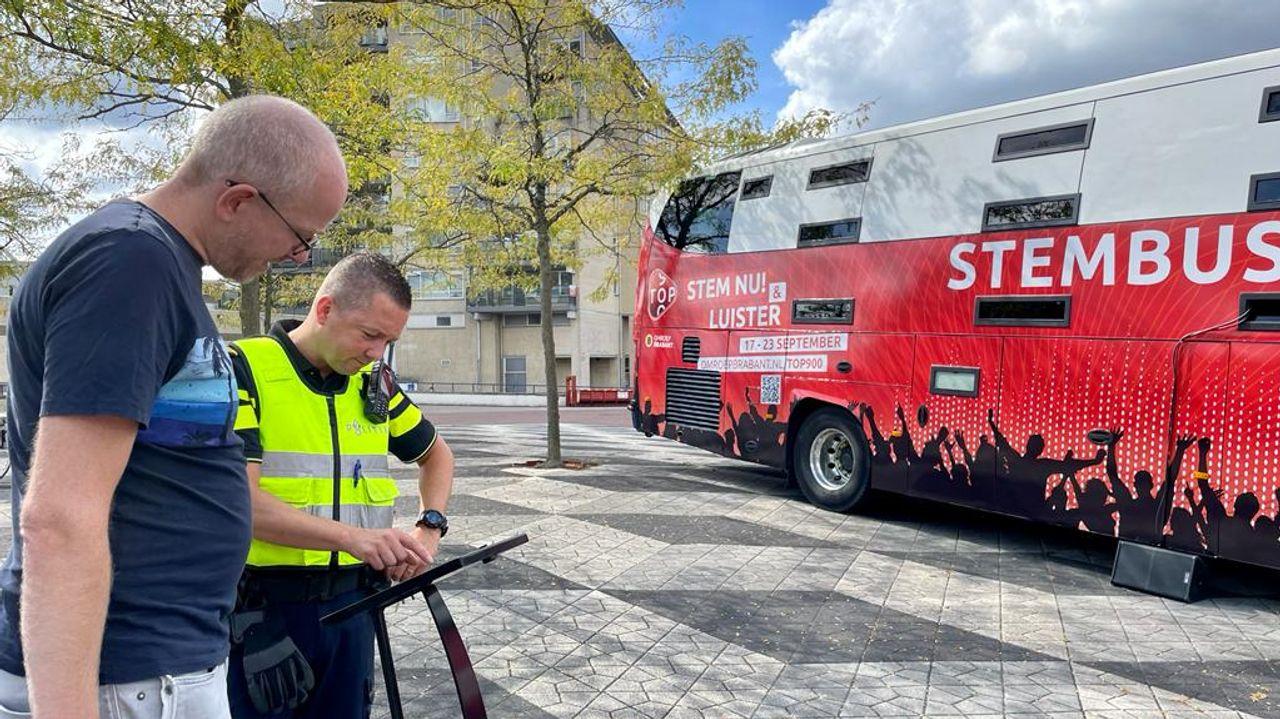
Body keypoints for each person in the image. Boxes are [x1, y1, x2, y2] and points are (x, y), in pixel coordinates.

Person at [0, 95, 348, 718]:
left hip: (153, 670)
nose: (299, 257)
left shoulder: (155, 264)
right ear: (237, 200)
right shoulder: (128, 263)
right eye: (301, 237)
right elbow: (58, 519)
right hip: (124, 681)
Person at [226, 252, 455, 719]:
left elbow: (437, 456)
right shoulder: (243, 369)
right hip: (263, 614)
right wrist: (356, 538)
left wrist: (428, 528)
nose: (376, 353)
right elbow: (239, 503)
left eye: (388, 340)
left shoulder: (374, 385)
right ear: (325, 309)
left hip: (355, 609)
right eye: (370, 335)